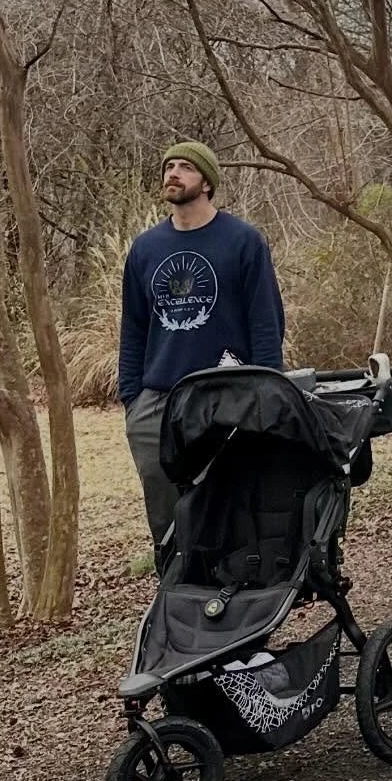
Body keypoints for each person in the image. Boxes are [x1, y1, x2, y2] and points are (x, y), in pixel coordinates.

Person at [118, 142, 285, 547]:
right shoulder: (145, 248)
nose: (173, 173)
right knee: (167, 521)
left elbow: (266, 323)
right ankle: (176, 597)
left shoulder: (243, 241)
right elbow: (134, 328)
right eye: (169, 166)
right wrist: (132, 399)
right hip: (158, 402)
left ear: (207, 182)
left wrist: (265, 392)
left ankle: (232, 598)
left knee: (228, 508)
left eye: (185, 167)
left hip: (225, 396)